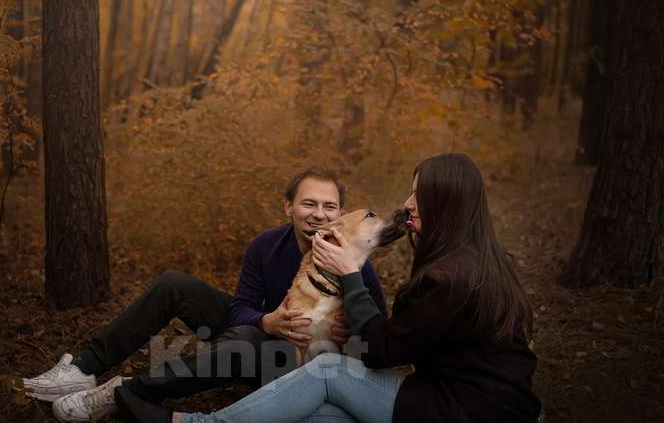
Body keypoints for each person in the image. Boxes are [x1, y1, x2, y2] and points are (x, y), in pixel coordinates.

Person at [118, 153, 543, 423]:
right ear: (288, 206)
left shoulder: (447, 276)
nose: (408, 205)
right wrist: (270, 320)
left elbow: (380, 351)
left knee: (325, 372)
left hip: (458, 408)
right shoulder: (478, 261)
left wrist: (351, 282)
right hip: (484, 401)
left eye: (418, 197)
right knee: (314, 413)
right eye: (411, 195)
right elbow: (409, 339)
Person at [21, 167, 387, 422]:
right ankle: (84, 370)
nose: (318, 215)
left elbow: (379, 336)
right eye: (309, 204)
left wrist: (351, 333)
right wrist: (267, 319)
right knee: (175, 284)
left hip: (292, 365)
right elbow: (241, 307)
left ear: (340, 214)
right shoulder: (266, 246)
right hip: (266, 334)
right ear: (287, 206)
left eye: (330, 207)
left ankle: (125, 393)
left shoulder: (355, 262)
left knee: (244, 340)